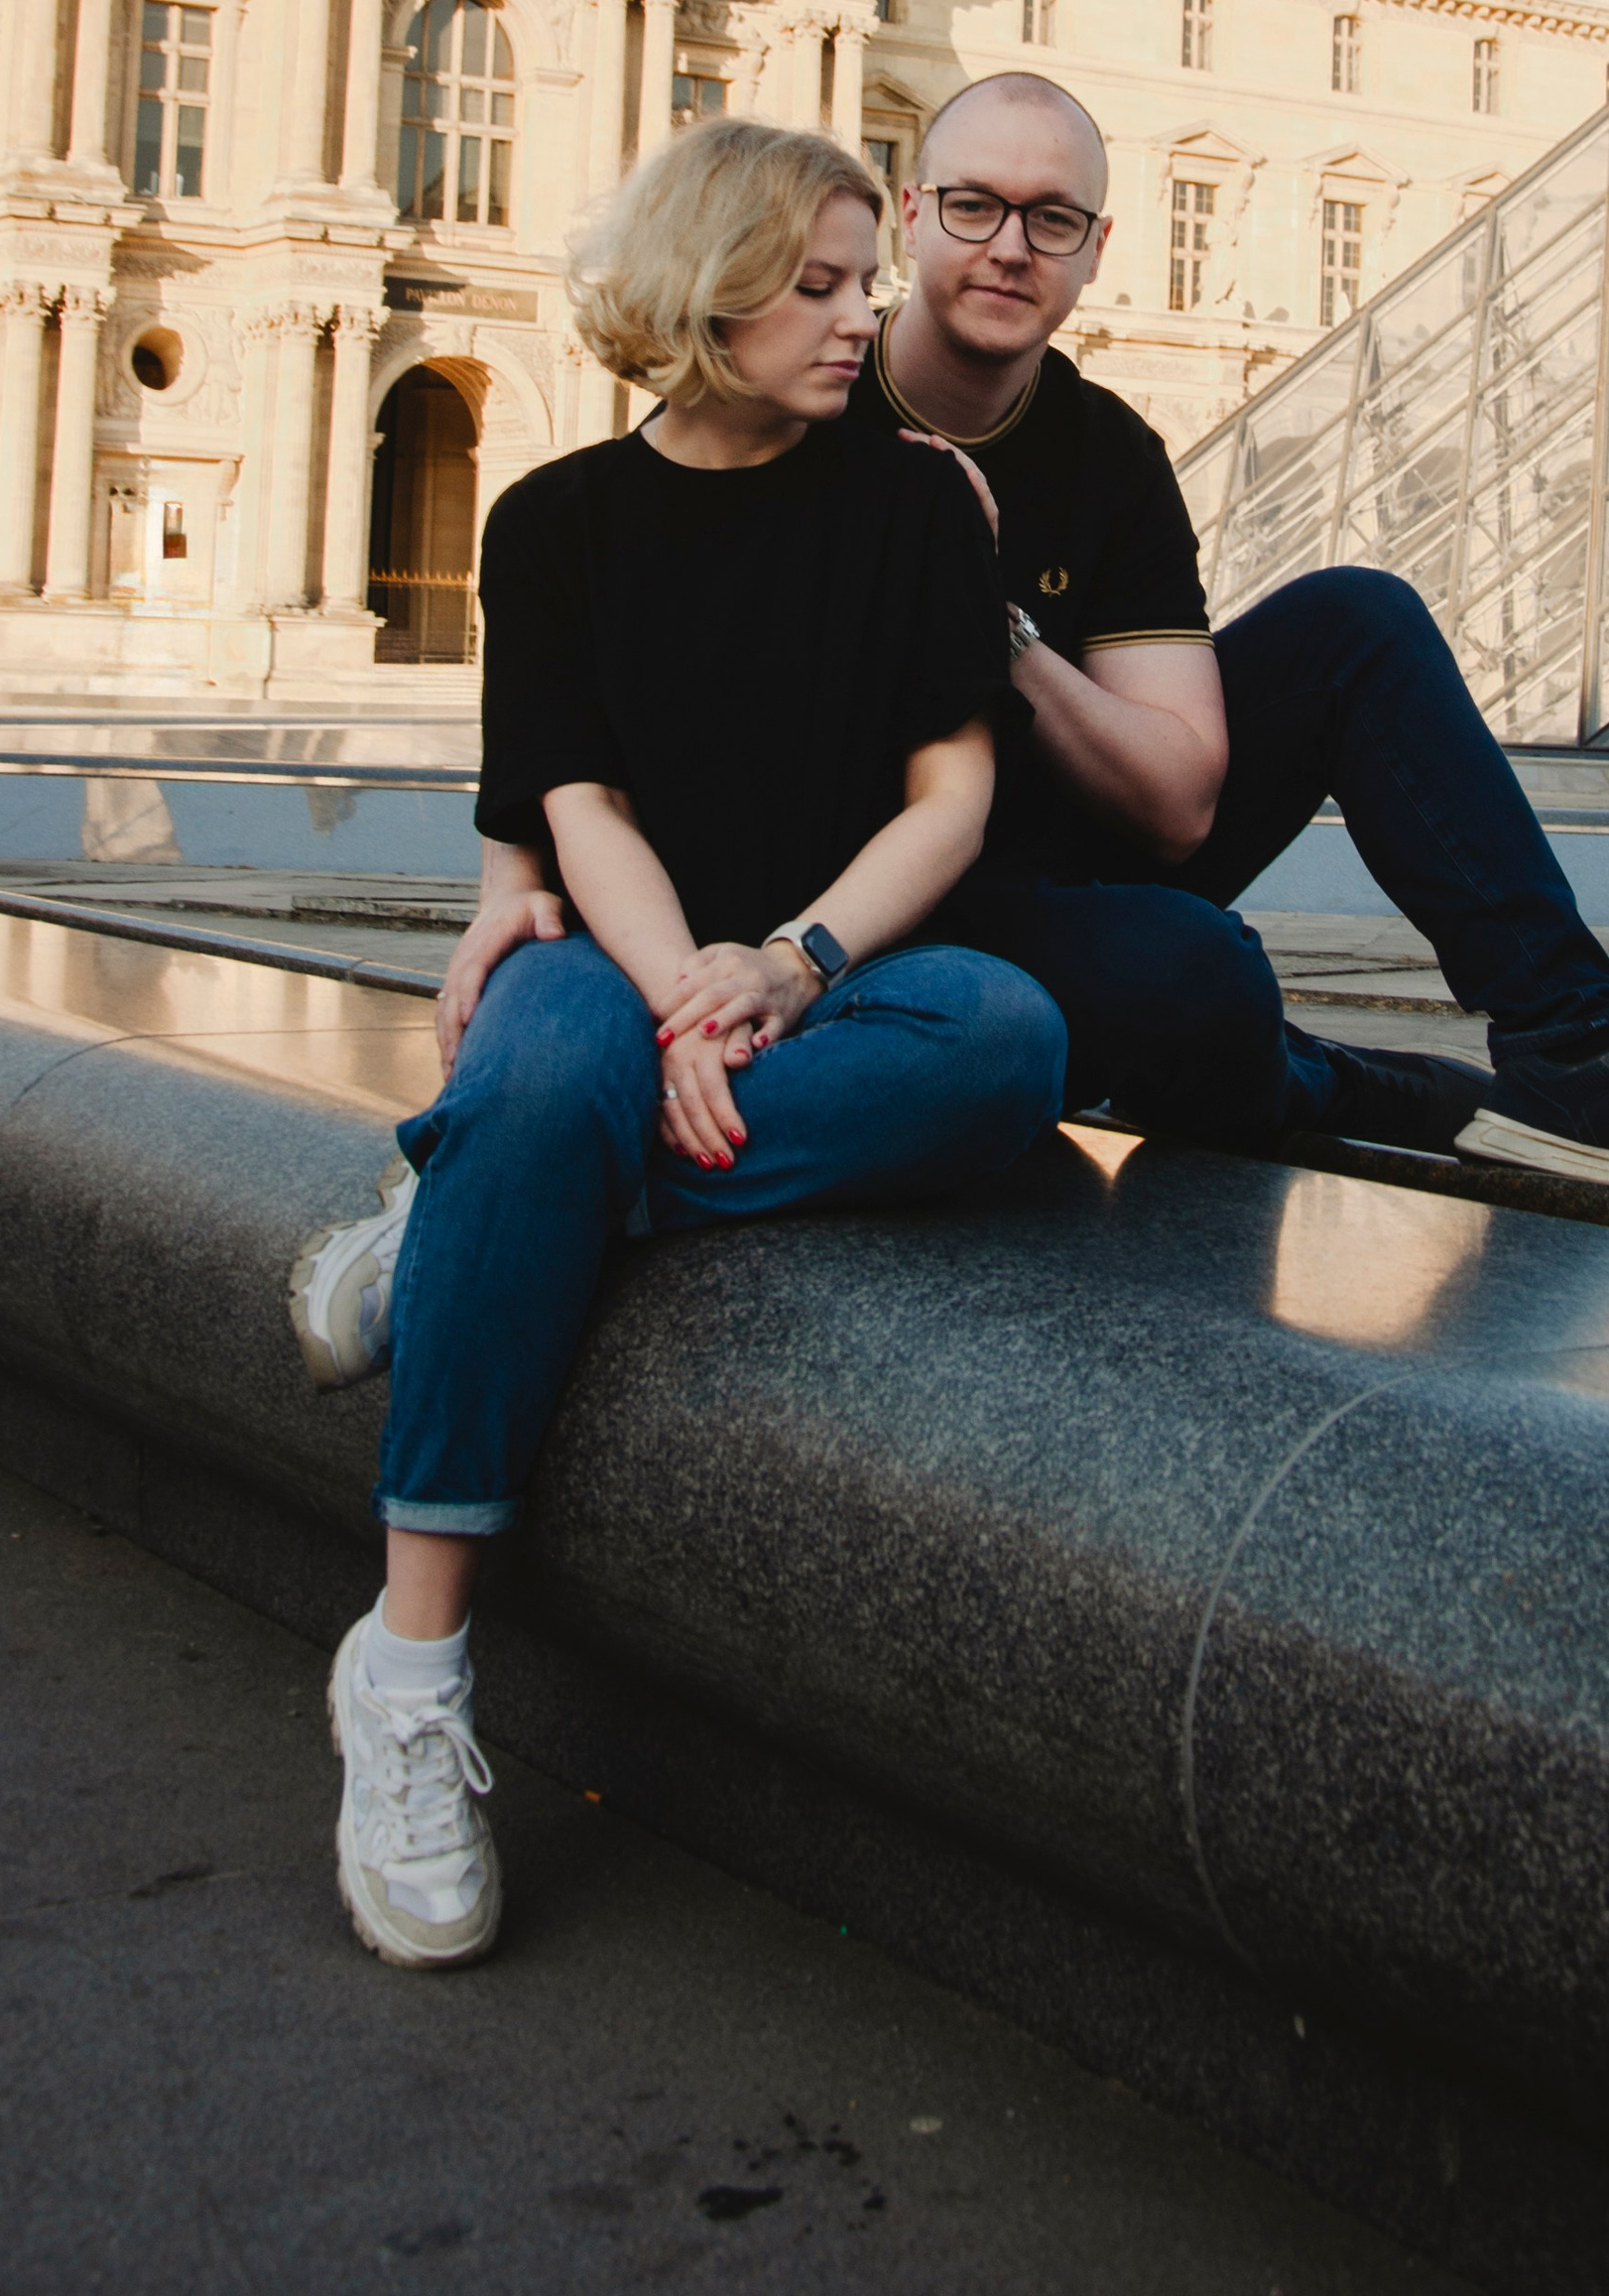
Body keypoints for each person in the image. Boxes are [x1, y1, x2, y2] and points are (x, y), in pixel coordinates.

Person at [438, 74, 1609, 1220]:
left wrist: (996, 626)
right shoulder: (799, 363)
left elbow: (1180, 804)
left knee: (1357, 622)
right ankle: (1315, 1083)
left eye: (1054, 221)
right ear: (914, 217)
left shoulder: (1109, 452)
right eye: (977, 205)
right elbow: (609, 592)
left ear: (1098, 250)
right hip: (876, 877)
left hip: (1035, 838)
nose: (1009, 246)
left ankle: (1580, 1053)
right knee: (1195, 979)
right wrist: (514, 870)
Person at [291, 121, 1065, 1970]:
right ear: (702, 293)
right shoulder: (555, 520)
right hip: (615, 957)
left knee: (1008, 1036)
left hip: (831, 972)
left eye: (860, 283)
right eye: (814, 287)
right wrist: (682, 995)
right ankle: (406, 1675)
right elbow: (582, 810)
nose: (857, 320)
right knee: (547, 1063)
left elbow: (950, 802)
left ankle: (477, 1205)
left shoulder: (904, 504)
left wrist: (786, 965)